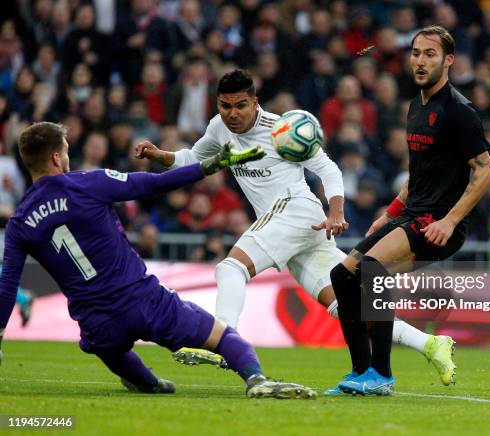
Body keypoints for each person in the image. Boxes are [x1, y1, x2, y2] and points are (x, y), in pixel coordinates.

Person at [136, 69, 456, 386]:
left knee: (231, 268)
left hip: (296, 210)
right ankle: (430, 344)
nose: (233, 114)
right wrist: (159, 155)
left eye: (240, 106)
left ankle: (223, 340)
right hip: (295, 228)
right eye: (225, 106)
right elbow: (194, 158)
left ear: (255, 102)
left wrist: (336, 211)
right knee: (345, 308)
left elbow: (327, 168)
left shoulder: (284, 129)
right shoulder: (219, 128)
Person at [0, 121, 317, 399]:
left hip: (97, 322)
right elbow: (154, 183)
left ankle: (149, 383)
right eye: (65, 150)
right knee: (223, 336)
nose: (67, 156)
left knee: (117, 357)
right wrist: (208, 166)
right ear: (57, 157)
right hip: (144, 299)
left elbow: (7, 288)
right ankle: (256, 379)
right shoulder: (88, 183)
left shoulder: (20, 221)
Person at [327, 26, 490, 396]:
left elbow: (486, 172)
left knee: (373, 270)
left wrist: (451, 221)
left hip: (436, 221)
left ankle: (382, 375)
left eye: (430, 54)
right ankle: (360, 373)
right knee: (342, 276)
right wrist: (389, 213)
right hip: (409, 216)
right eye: (416, 53)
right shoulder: (415, 106)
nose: (420, 61)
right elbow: (418, 173)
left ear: (448, 61)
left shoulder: (459, 111)